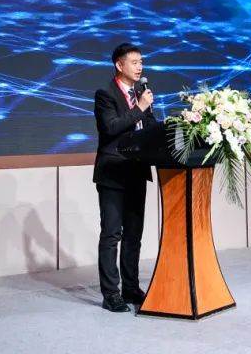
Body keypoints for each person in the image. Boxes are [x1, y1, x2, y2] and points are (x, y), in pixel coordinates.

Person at [93, 42, 158, 312]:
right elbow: (110, 128)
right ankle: (111, 294)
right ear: (119, 65)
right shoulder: (105, 94)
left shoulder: (141, 93)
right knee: (112, 235)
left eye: (141, 62)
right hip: (113, 173)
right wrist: (139, 108)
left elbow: (149, 128)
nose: (140, 67)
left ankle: (130, 288)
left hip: (136, 171)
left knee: (134, 235)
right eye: (134, 62)